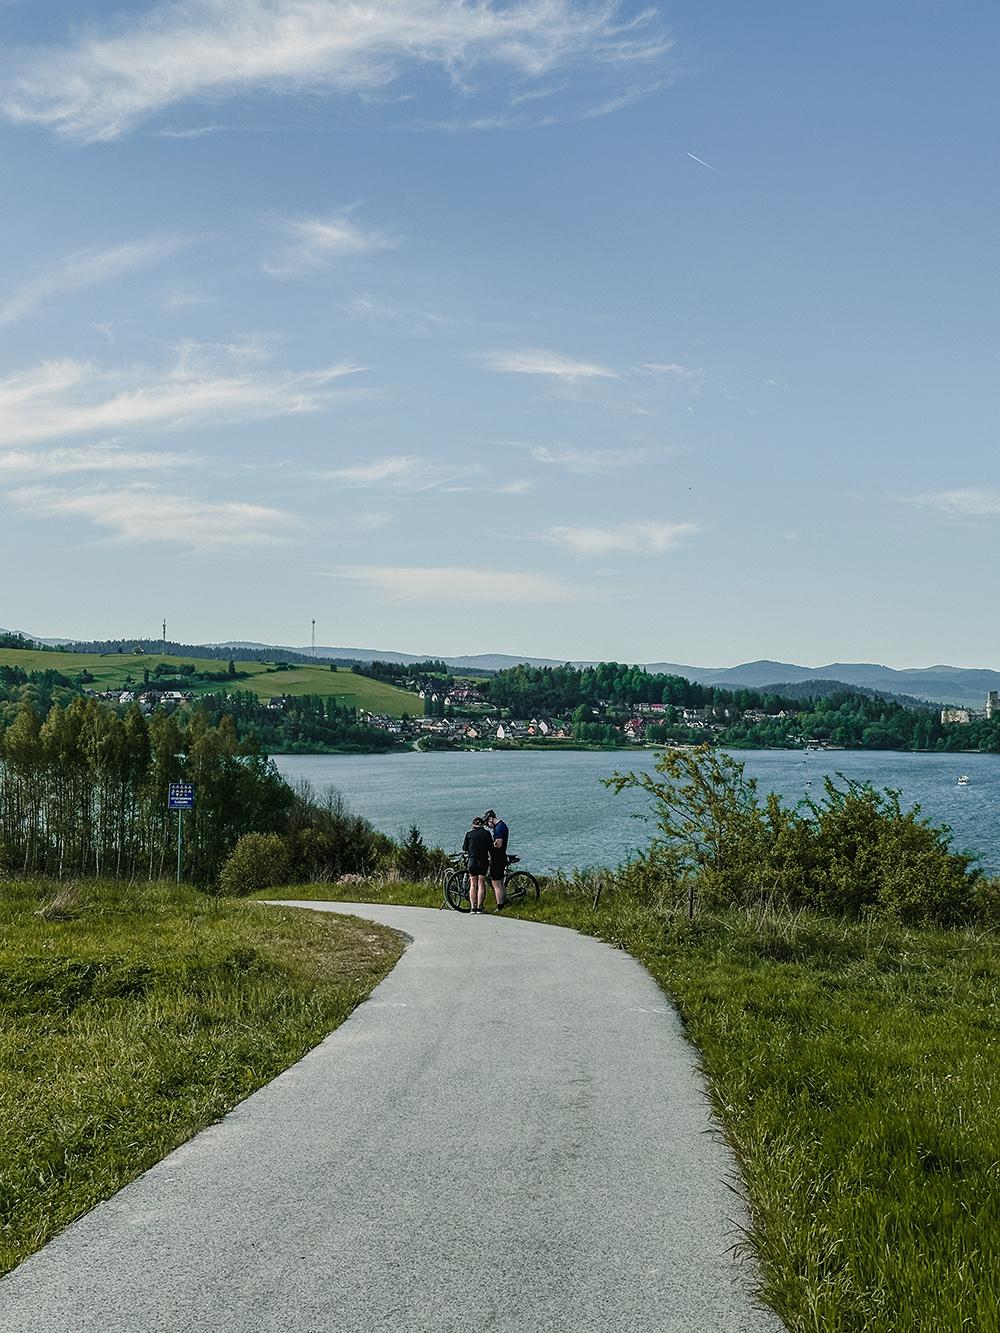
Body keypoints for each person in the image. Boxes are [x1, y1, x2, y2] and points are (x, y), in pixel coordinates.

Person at [462, 816, 492, 914]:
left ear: (473, 825)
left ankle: (472, 907)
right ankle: (479, 907)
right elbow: (490, 847)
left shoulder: (469, 834)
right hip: (483, 861)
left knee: (473, 884)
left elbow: (464, 848)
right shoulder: (487, 833)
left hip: (472, 861)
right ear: (482, 825)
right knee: (481, 884)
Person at [483, 809, 509, 910]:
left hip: (497, 858)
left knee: (496, 883)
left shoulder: (499, 828)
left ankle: (500, 906)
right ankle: (504, 903)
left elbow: (498, 844)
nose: (488, 826)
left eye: (487, 823)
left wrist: (489, 845)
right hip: (501, 856)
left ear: (491, 819)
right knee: (500, 882)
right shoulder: (501, 826)